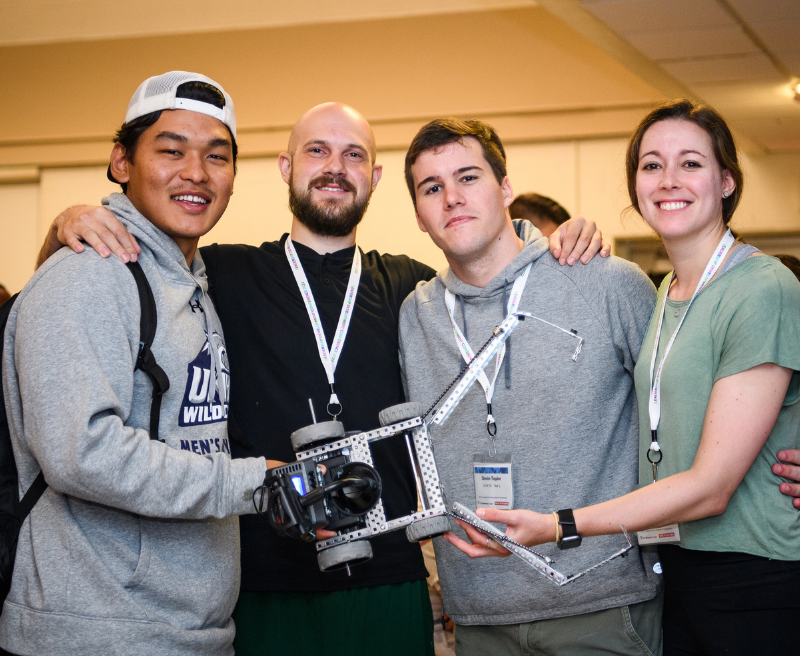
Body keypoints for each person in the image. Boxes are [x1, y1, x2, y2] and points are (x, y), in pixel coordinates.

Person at [37, 103, 609, 656]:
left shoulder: (414, 290)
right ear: (287, 168)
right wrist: (66, 226)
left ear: (375, 176)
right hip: (259, 585)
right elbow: (75, 300)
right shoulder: (222, 275)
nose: (335, 167)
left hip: (389, 577)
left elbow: (496, 284)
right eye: (317, 151)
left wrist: (560, 240)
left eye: (353, 154)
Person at [451, 101, 800, 656]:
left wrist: (560, 524)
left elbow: (711, 486)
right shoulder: (662, 293)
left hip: (754, 578)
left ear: (727, 180)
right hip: (676, 568)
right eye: (651, 165)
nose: (668, 181)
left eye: (690, 164)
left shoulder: (763, 286)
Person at [0, 71, 270, 656]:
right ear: (121, 161)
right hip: (98, 631)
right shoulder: (91, 274)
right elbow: (81, 452)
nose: (196, 172)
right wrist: (254, 483)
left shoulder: (193, 284)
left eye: (216, 156)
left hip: (182, 631)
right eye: (171, 150)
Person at [399, 117, 663, 656]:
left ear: (505, 189)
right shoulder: (414, 314)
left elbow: (691, 412)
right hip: (478, 617)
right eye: (432, 188)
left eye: (468, 177)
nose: (451, 197)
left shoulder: (605, 283)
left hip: (602, 607)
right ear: (419, 217)